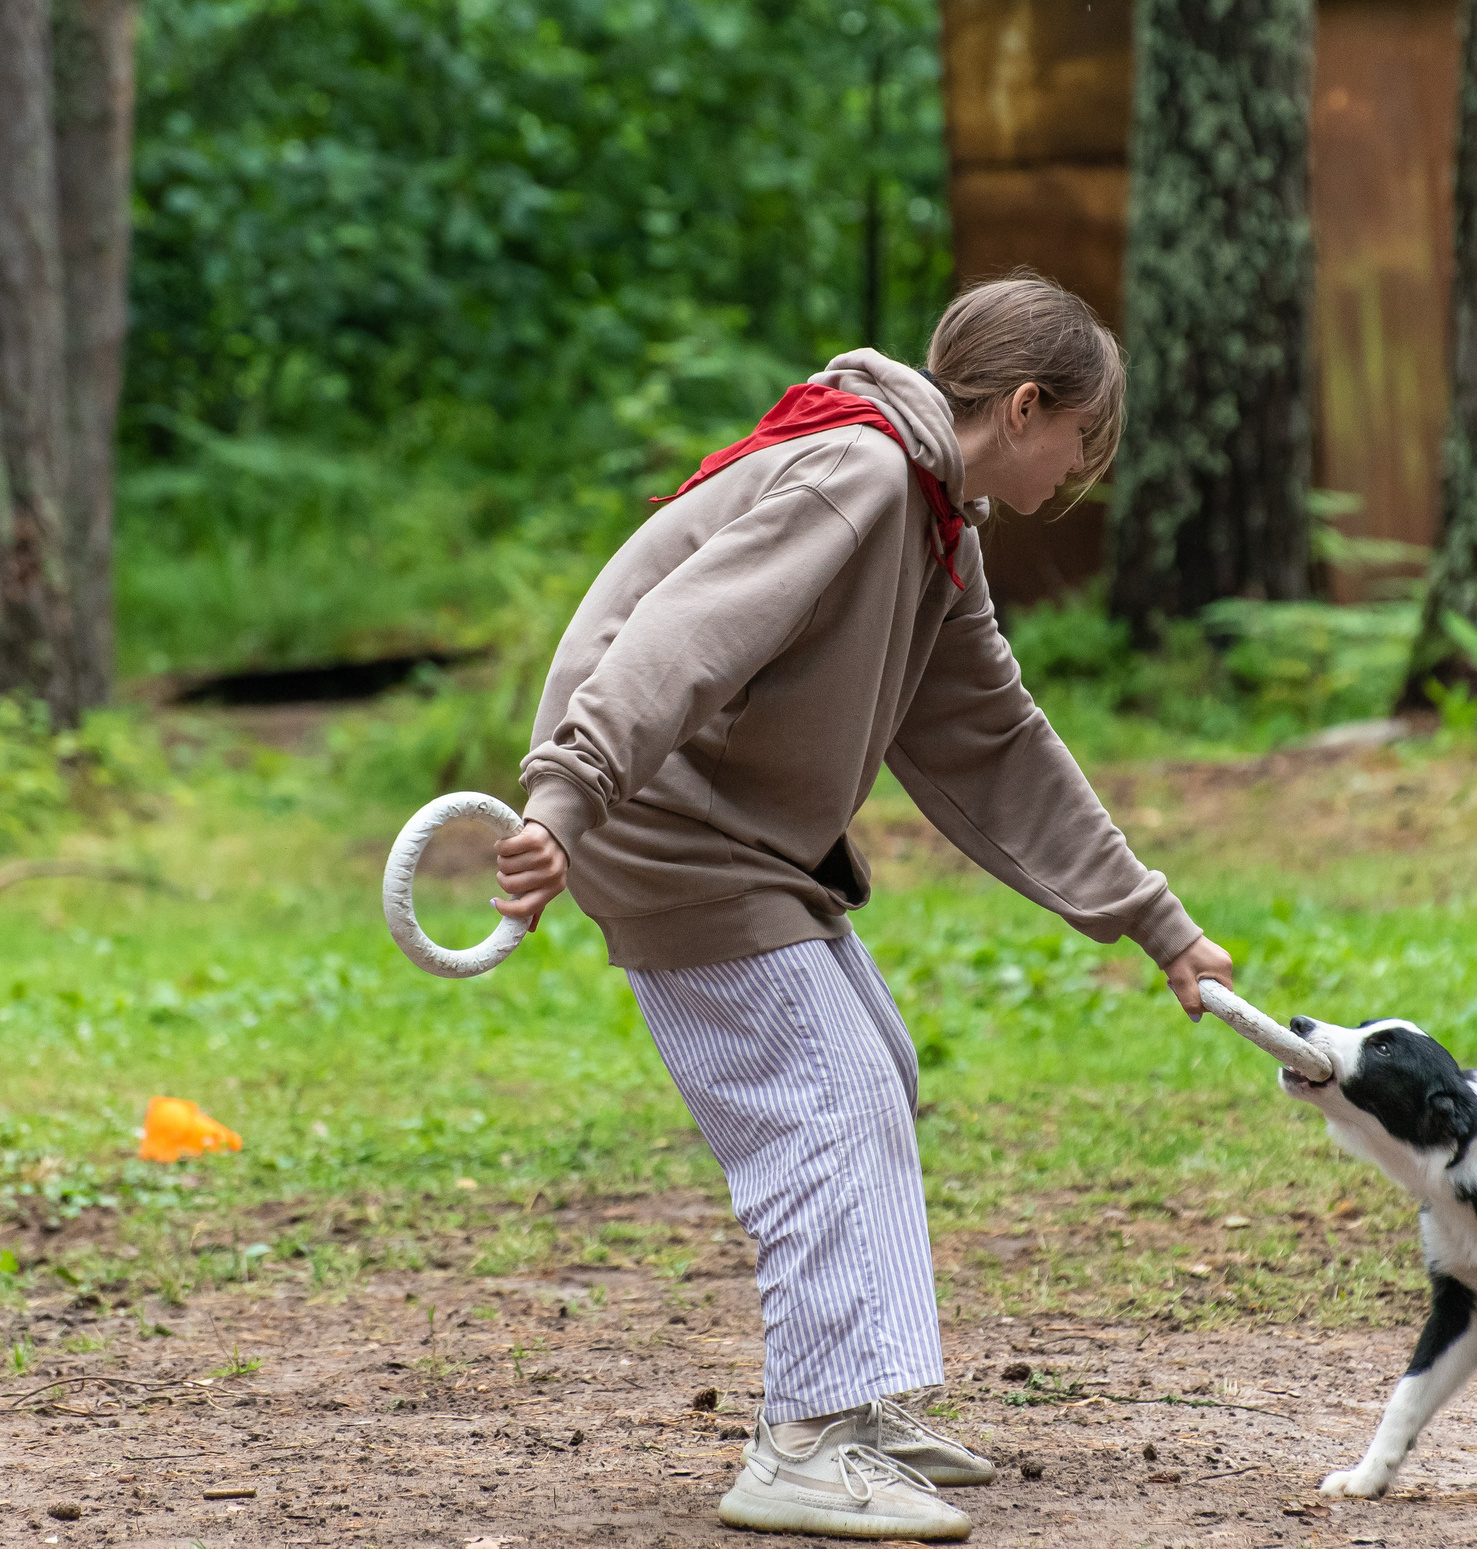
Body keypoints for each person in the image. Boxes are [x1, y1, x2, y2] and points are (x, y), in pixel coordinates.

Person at [490, 272, 1235, 1541]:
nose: (1082, 467)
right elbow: (680, 638)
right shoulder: (863, 473)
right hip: (661, 818)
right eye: (1082, 436)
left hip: (735, 832)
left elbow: (991, 736)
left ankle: (860, 1402)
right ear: (1023, 404)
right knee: (822, 1098)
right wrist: (564, 797)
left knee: (873, 1064)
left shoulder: (935, 517)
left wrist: (1152, 921)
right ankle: (804, 1441)